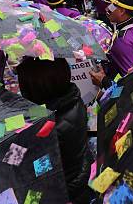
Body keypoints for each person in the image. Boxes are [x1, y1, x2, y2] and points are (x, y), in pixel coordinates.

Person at [15, 57, 93, 204]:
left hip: (63, 190)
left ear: (36, 88)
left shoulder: (46, 128)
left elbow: (18, 164)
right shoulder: (72, 99)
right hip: (79, 176)